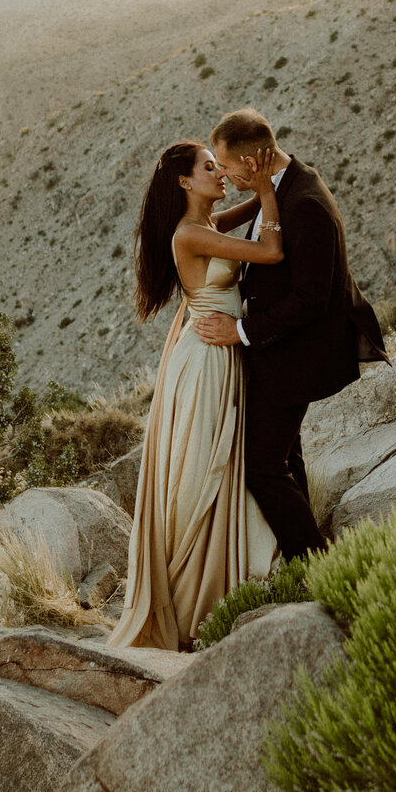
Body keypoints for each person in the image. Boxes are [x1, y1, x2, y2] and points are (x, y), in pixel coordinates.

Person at [107, 140, 286, 651]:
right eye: (210, 167)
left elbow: (247, 210)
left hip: (221, 353)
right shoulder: (189, 234)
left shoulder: (207, 224)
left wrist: (265, 180)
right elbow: (270, 252)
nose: (219, 173)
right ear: (185, 181)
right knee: (205, 468)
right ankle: (195, 598)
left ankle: (225, 576)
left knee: (223, 464)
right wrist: (265, 191)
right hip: (207, 362)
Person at [187, 108, 385, 562]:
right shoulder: (278, 188)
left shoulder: (304, 203)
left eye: (227, 167)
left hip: (297, 355)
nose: (224, 175)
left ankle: (315, 565)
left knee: (261, 467)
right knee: (287, 458)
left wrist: (240, 330)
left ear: (252, 162)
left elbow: (312, 298)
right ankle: (313, 551)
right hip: (275, 351)